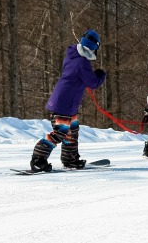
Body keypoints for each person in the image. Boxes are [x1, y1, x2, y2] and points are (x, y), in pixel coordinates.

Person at [29, 29, 108, 172]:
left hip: (67, 103)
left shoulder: (72, 57)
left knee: (72, 131)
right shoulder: (82, 62)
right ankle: (38, 159)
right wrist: (100, 74)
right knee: (60, 133)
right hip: (64, 104)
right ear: (94, 48)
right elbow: (93, 83)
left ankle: (70, 159)